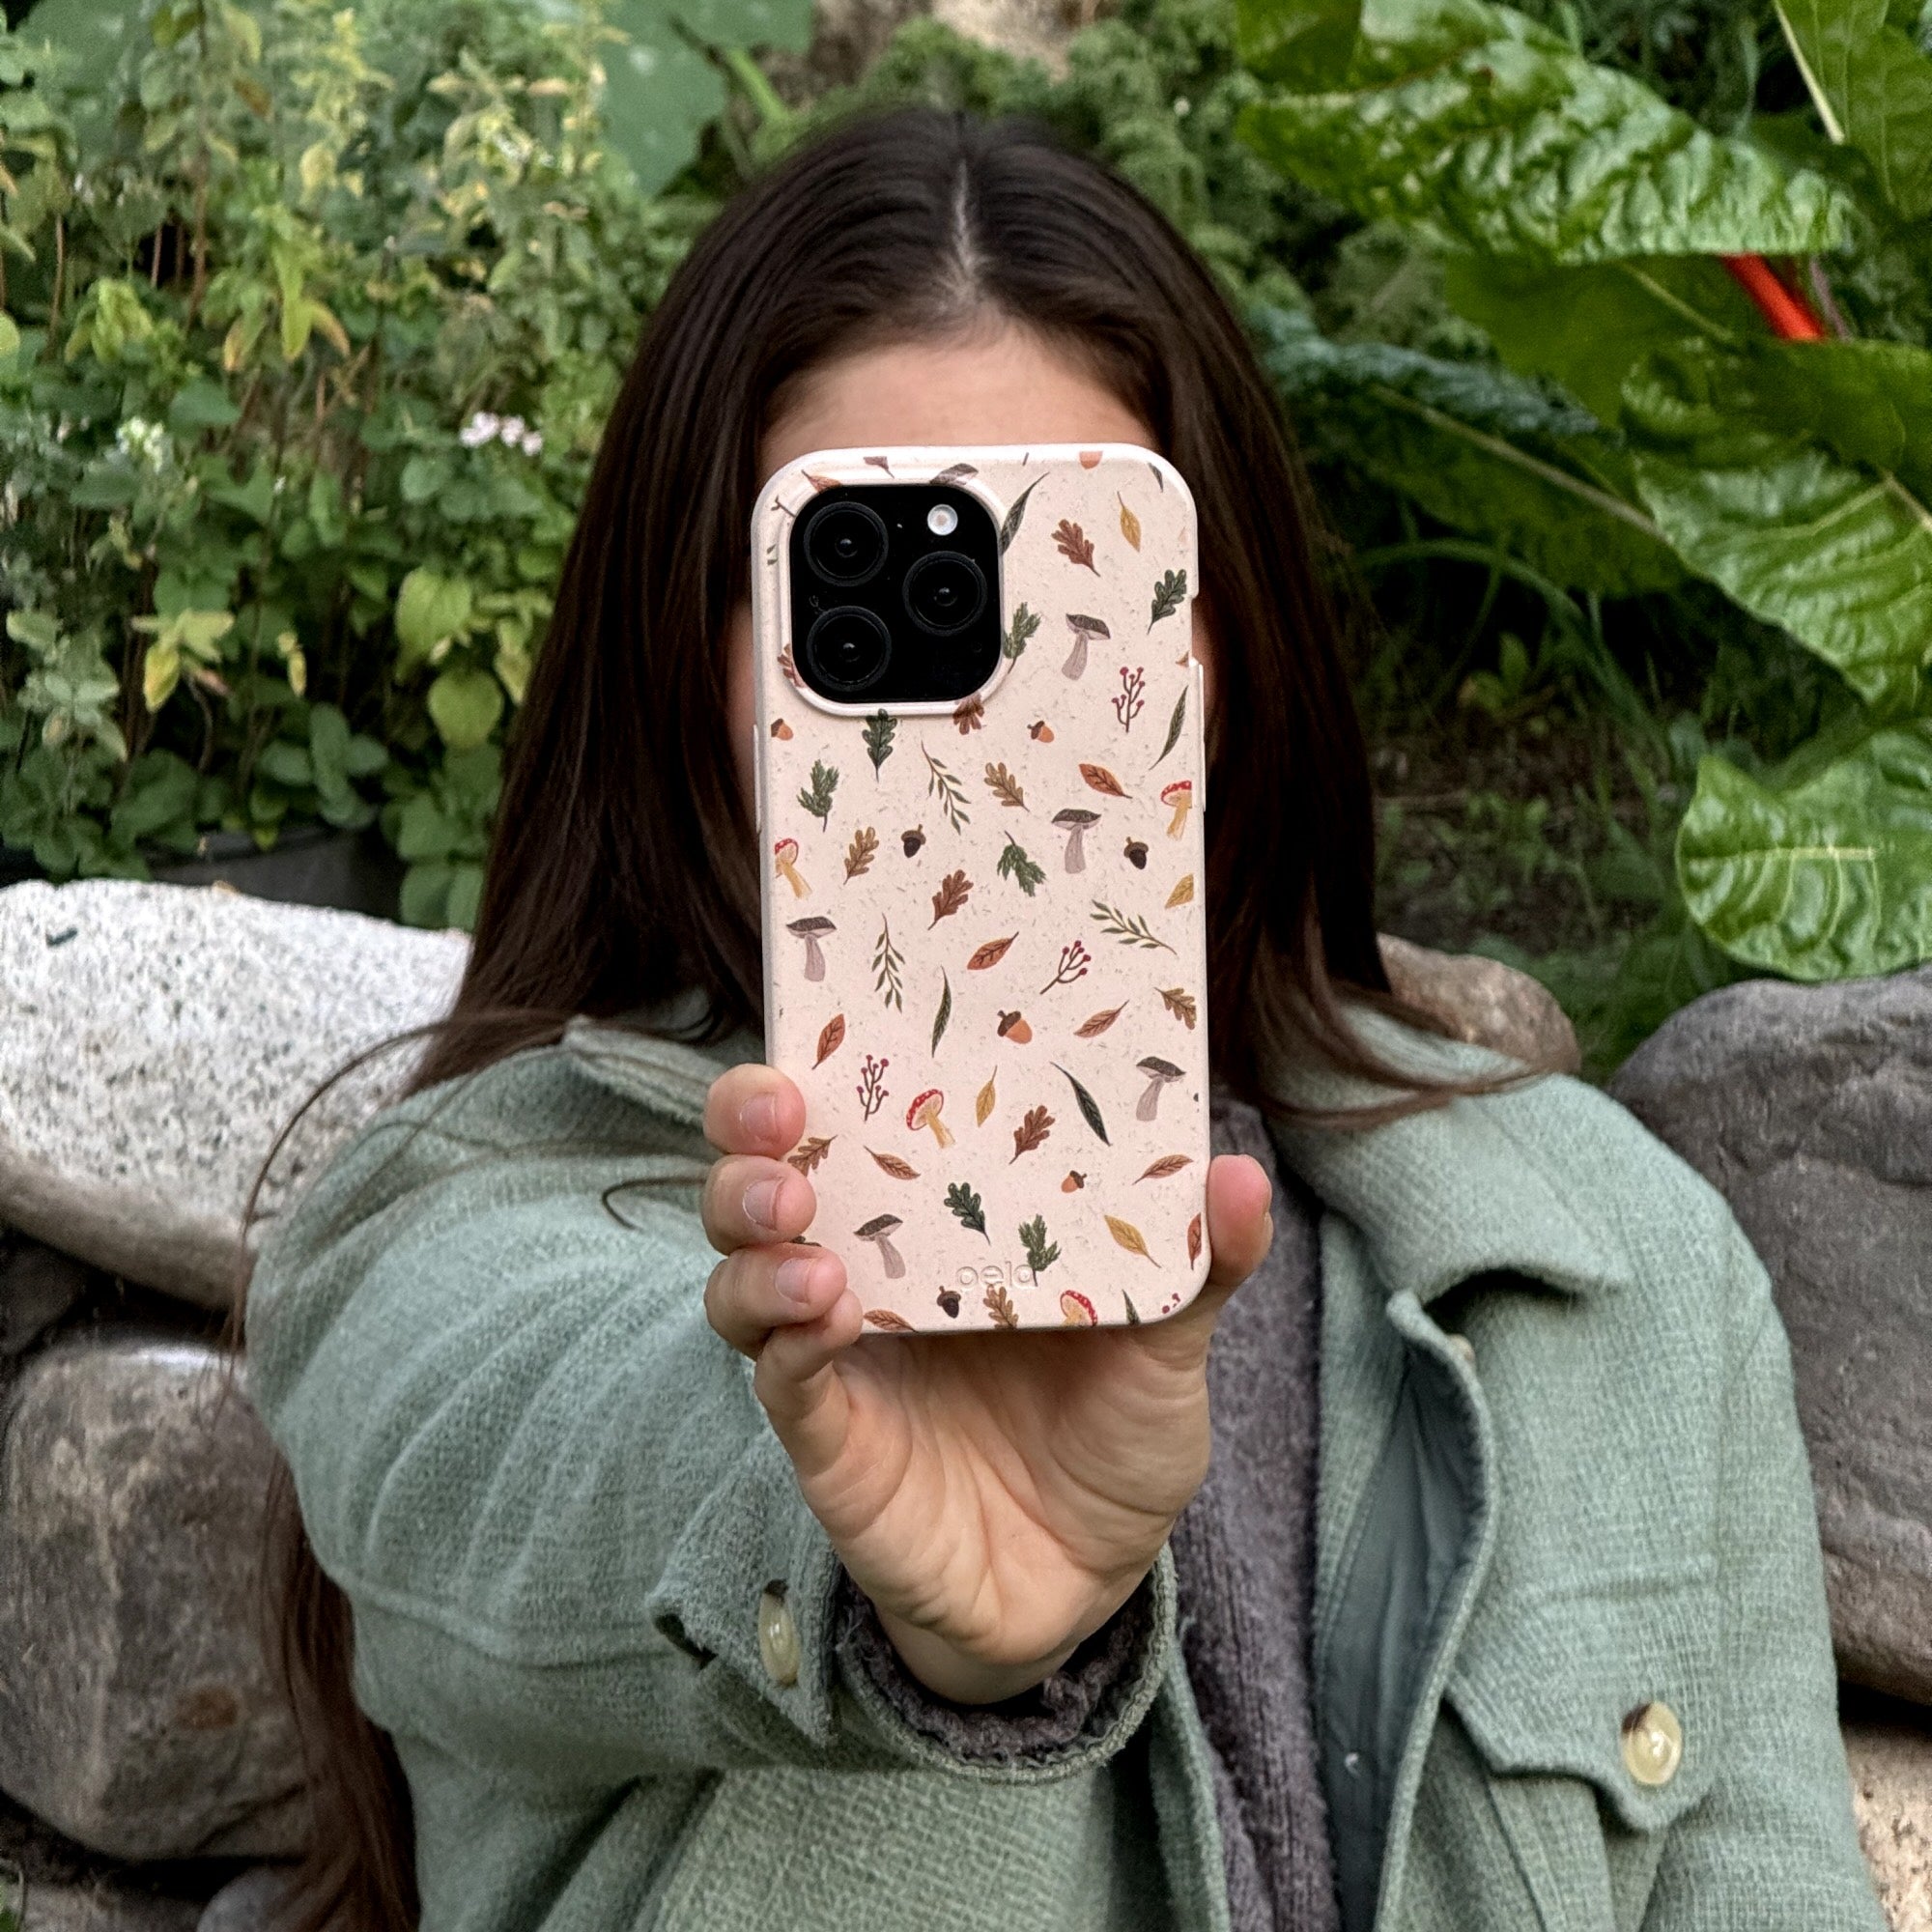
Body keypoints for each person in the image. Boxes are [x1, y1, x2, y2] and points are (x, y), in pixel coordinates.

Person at [241, 106, 1885, 1932]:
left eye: (1077, 575)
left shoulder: (1630, 1269)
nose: (1000, 704)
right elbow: (524, 1461)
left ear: (1228, 629)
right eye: (859, 596)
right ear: (686, 663)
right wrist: (858, 1567)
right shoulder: (449, 1244)